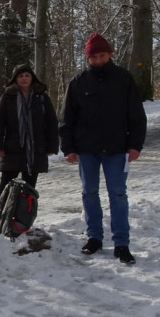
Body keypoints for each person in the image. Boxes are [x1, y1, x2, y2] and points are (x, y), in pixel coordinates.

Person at [60, 32, 146, 264]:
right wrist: (67, 147)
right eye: (94, 57)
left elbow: (136, 114)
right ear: (88, 58)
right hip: (86, 148)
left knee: (118, 194)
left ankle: (121, 242)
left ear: (109, 54)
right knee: (89, 192)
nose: (98, 60)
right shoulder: (78, 82)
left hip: (117, 148)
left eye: (102, 55)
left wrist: (135, 145)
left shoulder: (123, 78)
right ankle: (94, 237)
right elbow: (68, 117)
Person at [0, 63, 59, 200]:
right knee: (5, 187)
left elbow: (51, 122)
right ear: (15, 79)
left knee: (29, 189)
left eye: (27, 75)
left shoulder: (41, 97)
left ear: (32, 78)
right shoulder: (8, 97)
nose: (24, 78)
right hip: (12, 148)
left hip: (35, 148)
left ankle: (23, 220)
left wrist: (52, 145)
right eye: (20, 76)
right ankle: (0, 218)